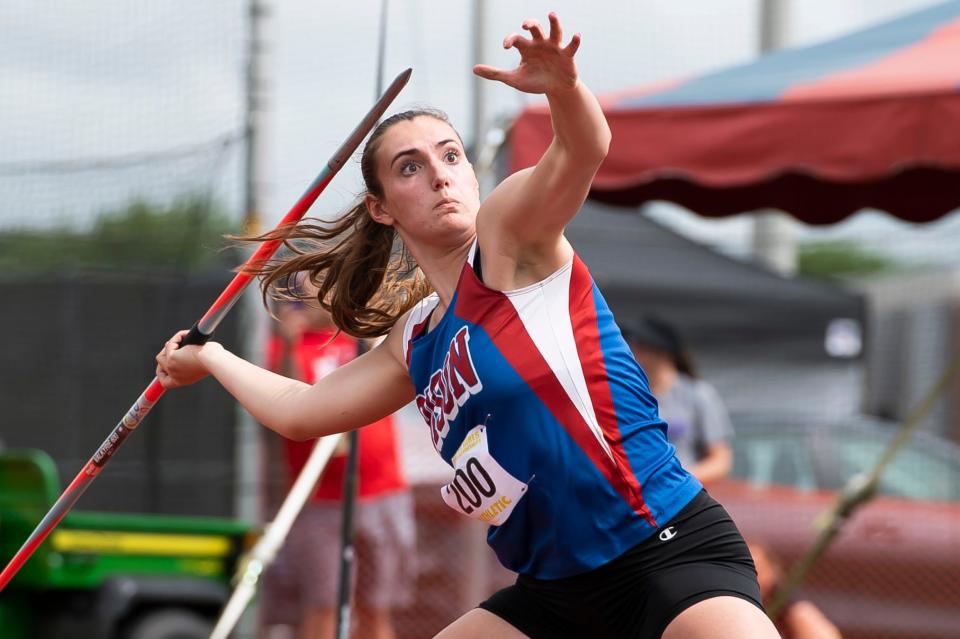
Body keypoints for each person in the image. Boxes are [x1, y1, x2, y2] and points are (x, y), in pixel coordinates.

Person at [157, 13, 780, 638]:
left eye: (450, 155)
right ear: (380, 208)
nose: (439, 173)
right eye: (409, 167)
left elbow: (584, 149)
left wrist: (563, 87)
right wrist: (210, 358)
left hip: (665, 552)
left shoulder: (509, 238)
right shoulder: (416, 339)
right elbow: (303, 409)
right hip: (554, 595)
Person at [260, 295, 415, 639]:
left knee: (376, 605)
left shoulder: (359, 340)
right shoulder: (286, 348)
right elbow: (287, 400)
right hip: (322, 499)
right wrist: (289, 344)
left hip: (381, 491)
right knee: (324, 602)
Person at [624, 316, 734, 485]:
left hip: (683, 496)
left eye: (640, 345)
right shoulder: (630, 395)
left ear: (661, 351)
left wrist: (677, 480)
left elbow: (721, 461)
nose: (631, 350)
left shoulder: (699, 394)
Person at [749, 542, 842, 639]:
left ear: (772, 571)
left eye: (759, 570)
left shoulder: (793, 609)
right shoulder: (739, 604)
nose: (754, 577)